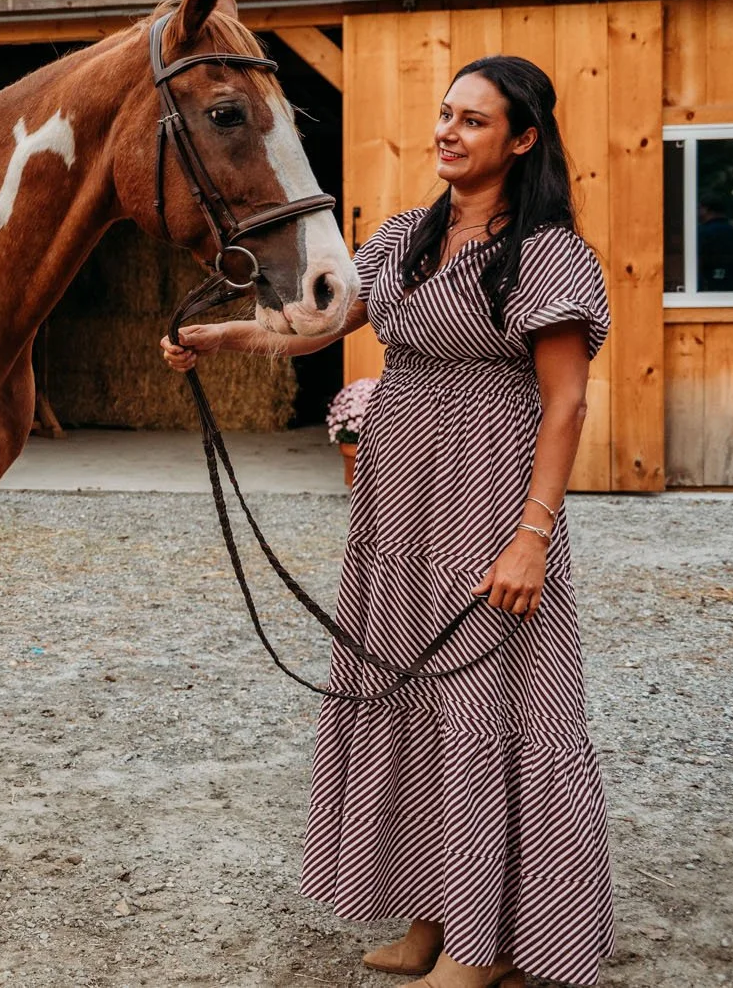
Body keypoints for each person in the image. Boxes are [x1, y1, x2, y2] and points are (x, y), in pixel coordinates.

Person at [161, 55, 614, 988]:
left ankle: (486, 947)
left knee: (483, 710)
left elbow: (566, 404)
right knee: (408, 700)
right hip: (397, 504)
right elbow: (320, 324)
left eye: (475, 121)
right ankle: (429, 915)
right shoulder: (407, 236)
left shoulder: (548, 253)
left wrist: (532, 534)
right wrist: (223, 336)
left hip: (487, 498)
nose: (448, 130)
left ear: (522, 139)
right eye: (446, 114)